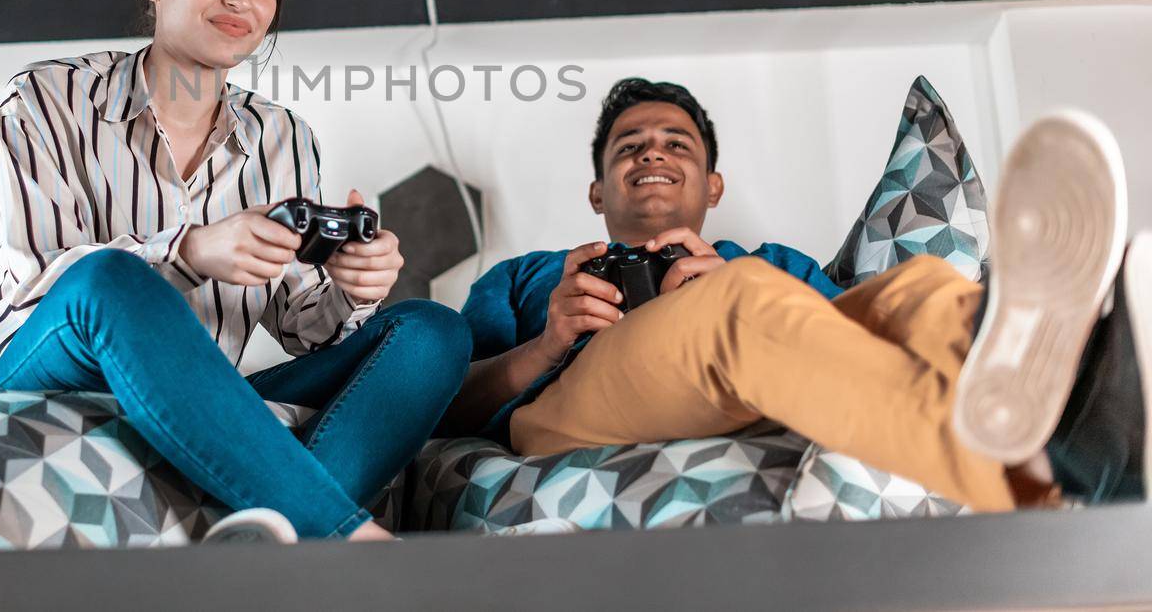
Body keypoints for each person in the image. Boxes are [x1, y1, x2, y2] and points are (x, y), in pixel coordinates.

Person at [0, 0, 473, 543]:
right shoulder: (47, 100)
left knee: (432, 332)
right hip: (44, 364)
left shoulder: (284, 138)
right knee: (110, 279)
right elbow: (47, 277)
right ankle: (341, 534)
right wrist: (192, 249)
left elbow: (304, 326)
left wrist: (348, 290)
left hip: (199, 394)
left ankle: (268, 535)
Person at [440, 77, 1150, 512]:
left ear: (713, 186)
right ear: (597, 190)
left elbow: (853, 337)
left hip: (750, 389)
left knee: (923, 284)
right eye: (628, 146)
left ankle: (1092, 403)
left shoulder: (761, 261)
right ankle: (1037, 471)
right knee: (743, 304)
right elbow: (444, 406)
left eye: (676, 144)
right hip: (566, 417)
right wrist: (547, 343)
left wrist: (723, 282)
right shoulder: (534, 274)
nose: (651, 151)